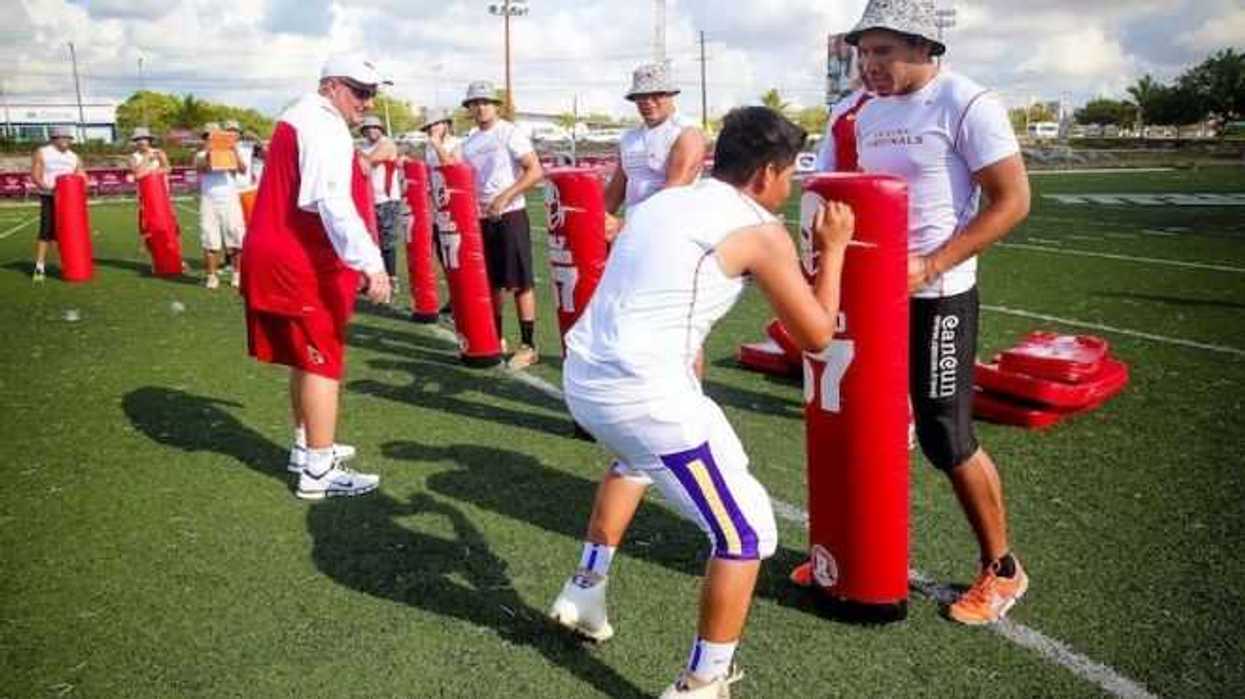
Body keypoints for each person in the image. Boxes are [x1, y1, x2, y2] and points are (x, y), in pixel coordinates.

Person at [547, 106, 855, 697]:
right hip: (640, 392)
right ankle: (703, 684)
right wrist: (833, 247)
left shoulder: (664, 199)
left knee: (635, 462)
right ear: (767, 172)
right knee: (746, 535)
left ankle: (585, 589)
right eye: (790, 174)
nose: (789, 188)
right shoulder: (760, 231)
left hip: (584, 376)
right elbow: (816, 336)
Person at [846, 0, 1033, 625]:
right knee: (867, 423)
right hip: (875, 298)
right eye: (863, 52)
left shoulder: (967, 102)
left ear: (925, 49)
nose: (869, 64)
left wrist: (929, 264)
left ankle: (1003, 571)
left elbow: (1012, 202)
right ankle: (859, 554)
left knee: (945, 436)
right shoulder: (865, 114)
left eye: (882, 52)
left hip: (940, 294)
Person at [240, 54, 392, 500]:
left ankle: (308, 447)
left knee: (306, 358)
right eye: (359, 91)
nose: (366, 103)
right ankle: (319, 472)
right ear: (330, 86)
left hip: (279, 253)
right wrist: (371, 262)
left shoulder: (302, 115)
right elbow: (332, 201)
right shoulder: (322, 124)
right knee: (323, 360)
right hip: (297, 260)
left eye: (372, 94)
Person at [460, 81, 544, 369]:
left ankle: (528, 344)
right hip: (482, 218)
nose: (481, 107)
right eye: (475, 103)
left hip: (510, 216)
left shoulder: (509, 132)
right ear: (469, 108)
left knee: (521, 282)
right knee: (492, 283)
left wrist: (504, 197)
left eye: (486, 101)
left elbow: (535, 171)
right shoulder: (469, 142)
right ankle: (495, 338)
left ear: (495, 105)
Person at [603, 62, 705, 239]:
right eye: (641, 96)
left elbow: (674, 193)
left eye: (656, 95)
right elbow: (615, 190)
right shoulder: (629, 138)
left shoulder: (686, 133)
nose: (648, 102)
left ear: (670, 94)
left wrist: (624, 226)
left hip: (673, 233)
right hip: (634, 233)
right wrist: (594, 219)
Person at [194, 121, 247, 289]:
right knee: (210, 238)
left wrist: (234, 151)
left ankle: (237, 274)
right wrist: (210, 152)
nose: (212, 139)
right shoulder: (201, 154)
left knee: (236, 236)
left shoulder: (230, 152)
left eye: (215, 136)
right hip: (209, 200)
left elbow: (242, 170)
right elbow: (201, 168)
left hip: (230, 198)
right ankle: (212, 275)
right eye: (209, 136)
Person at [420, 107, 462, 316]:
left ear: (446, 124)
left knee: (458, 253)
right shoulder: (429, 147)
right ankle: (454, 295)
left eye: (436, 124)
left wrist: (437, 145)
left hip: (456, 206)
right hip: (438, 205)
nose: (432, 129)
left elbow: (453, 167)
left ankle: (464, 295)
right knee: (443, 253)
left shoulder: (457, 144)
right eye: (429, 126)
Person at [29, 125, 85, 282]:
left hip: (70, 200)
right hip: (49, 196)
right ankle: (40, 266)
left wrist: (82, 185)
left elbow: (81, 174)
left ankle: (66, 263)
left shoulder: (74, 156)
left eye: (68, 138)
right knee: (46, 231)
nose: (66, 140)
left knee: (66, 232)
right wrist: (49, 188)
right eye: (63, 137)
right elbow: (35, 175)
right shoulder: (43, 152)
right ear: (54, 138)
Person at [357, 114, 403, 291]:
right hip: (369, 200)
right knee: (369, 241)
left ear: (381, 129)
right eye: (368, 128)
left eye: (375, 127)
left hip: (387, 199)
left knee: (387, 242)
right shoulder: (364, 146)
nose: (371, 131)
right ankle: (374, 278)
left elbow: (370, 161)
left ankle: (392, 279)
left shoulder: (386, 144)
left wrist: (358, 156)